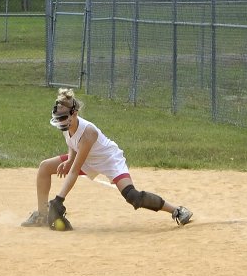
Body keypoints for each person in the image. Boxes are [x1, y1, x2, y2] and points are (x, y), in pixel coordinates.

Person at [21, 88, 193, 229]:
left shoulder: (88, 132)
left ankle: (177, 210)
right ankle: (42, 215)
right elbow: (73, 143)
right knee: (44, 167)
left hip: (109, 160)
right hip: (86, 157)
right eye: (58, 118)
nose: (60, 121)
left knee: (132, 196)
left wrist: (59, 199)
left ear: (75, 113)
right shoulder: (66, 124)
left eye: (64, 117)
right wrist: (69, 159)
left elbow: (74, 171)